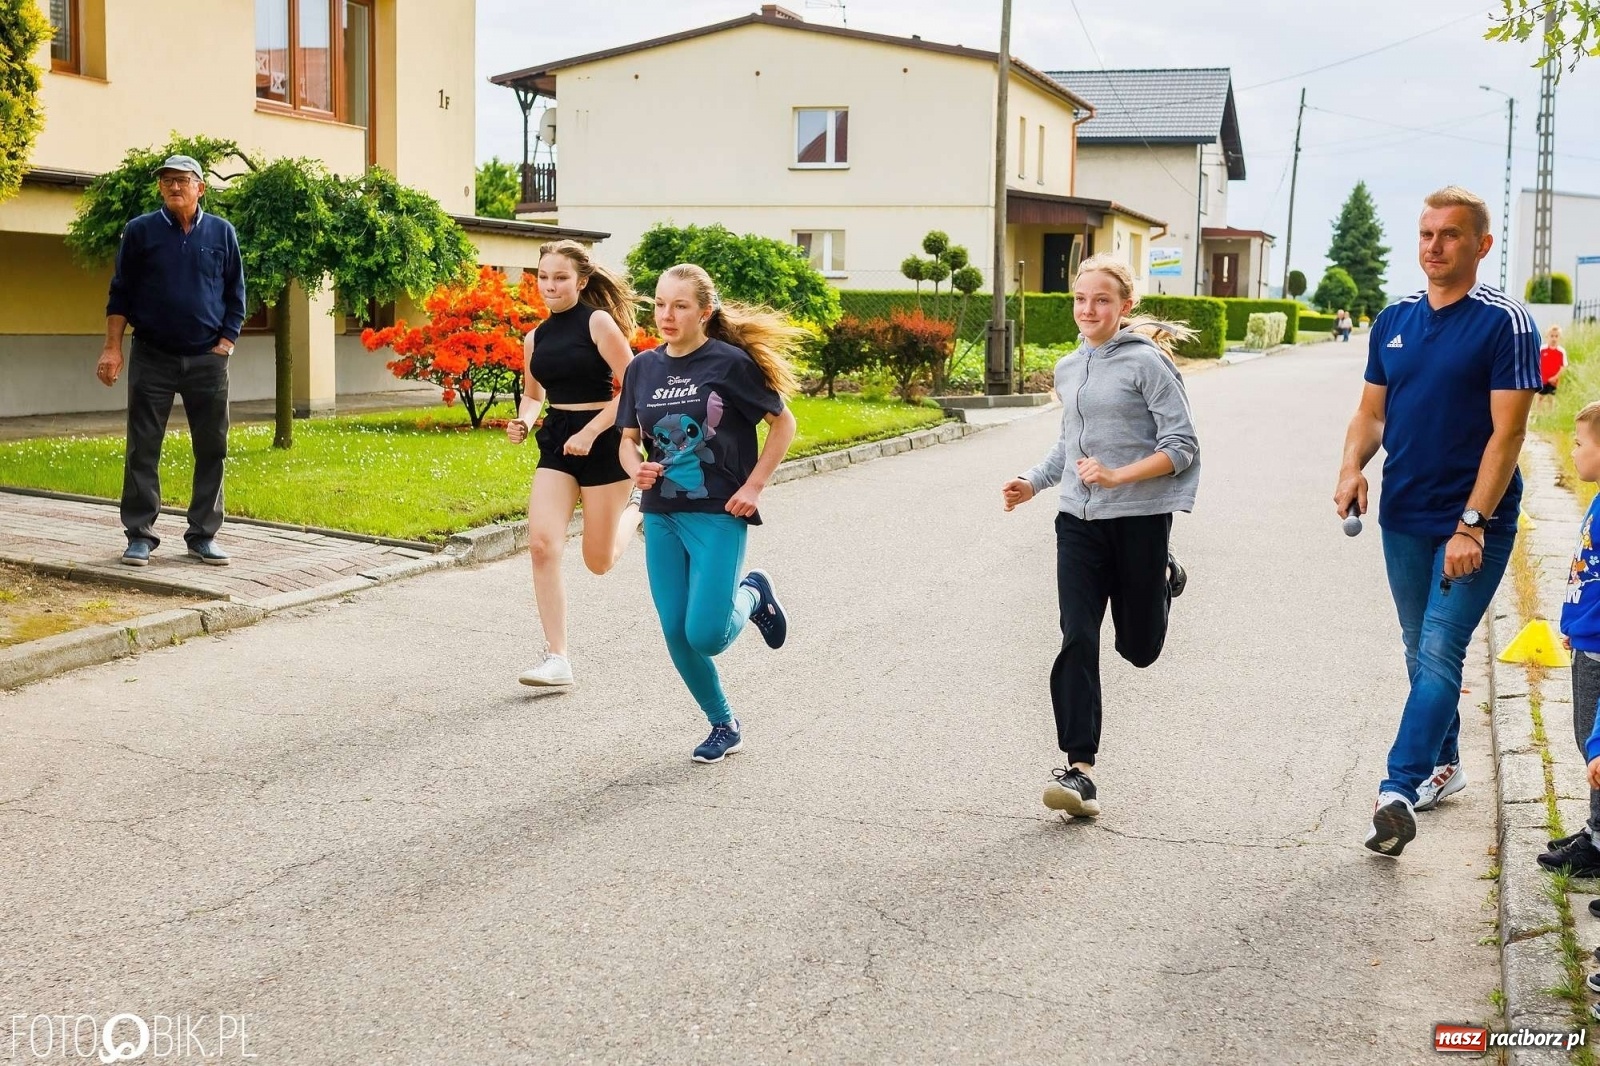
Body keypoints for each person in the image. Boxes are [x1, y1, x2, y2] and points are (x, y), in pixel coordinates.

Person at [1334, 186, 1540, 857]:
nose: (1434, 247)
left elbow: (1507, 436)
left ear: (1481, 244)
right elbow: (1371, 414)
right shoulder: (1394, 318)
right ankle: (1445, 766)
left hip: (1474, 522)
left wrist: (1473, 522)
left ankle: (1399, 787)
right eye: (1425, 234)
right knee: (1415, 642)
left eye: (1450, 235)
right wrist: (1352, 467)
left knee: (1439, 649)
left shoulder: (1504, 323)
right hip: (1403, 516)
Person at [1001, 253, 1200, 818]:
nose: (1088, 309)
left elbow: (1183, 447)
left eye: (1102, 300)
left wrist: (1118, 475)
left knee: (1138, 649)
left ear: (1125, 306)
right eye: (1081, 299)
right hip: (1078, 523)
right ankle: (1079, 769)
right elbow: (1070, 443)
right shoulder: (1069, 367)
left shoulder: (1149, 366)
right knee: (1076, 636)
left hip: (1139, 521)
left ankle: (1162, 574)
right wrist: (1033, 482)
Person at [615, 263, 800, 763]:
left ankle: (753, 594)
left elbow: (784, 425)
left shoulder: (729, 363)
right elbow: (628, 441)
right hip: (662, 513)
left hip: (719, 510)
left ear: (704, 312)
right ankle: (724, 723)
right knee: (676, 630)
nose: (667, 316)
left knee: (707, 635)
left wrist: (754, 486)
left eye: (680, 306)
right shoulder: (642, 368)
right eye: (659, 304)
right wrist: (636, 469)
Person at [97, 154, 245, 567]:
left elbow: (236, 294)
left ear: (201, 186)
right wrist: (112, 347)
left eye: (181, 180)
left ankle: (203, 534)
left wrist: (226, 343)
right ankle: (140, 535)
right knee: (143, 446)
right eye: (166, 182)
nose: (173, 187)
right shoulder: (140, 232)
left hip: (207, 360)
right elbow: (120, 294)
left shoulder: (222, 233)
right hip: (152, 356)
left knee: (213, 447)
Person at [507, 240, 642, 688]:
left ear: (581, 281)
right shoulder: (535, 337)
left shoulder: (598, 322)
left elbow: (634, 388)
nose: (550, 285)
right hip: (558, 441)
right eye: (543, 277)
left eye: (560, 277)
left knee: (598, 561)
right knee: (543, 545)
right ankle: (557, 657)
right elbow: (533, 395)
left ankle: (637, 509)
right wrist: (524, 422)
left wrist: (591, 431)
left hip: (604, 440)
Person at [1541, 401, 1600, 877]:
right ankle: (1596, 828)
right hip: (1588, 642)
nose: (1574, 451)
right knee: (1588, 743)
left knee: (1596, 746)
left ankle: (1598, 843)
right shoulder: (1597, 501)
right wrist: (1575, 625)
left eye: (1581, 443)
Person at [1538, 323, 1568, 401]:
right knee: (1540, 397)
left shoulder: (1561, 351)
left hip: (1554, 380)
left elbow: (1564, 366)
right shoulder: (1542, 349)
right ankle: (1538, 412)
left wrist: (1555, 377)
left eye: (1556, 336)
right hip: (1542, 378)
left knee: (1551, 398)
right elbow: (1537, 363)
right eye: (1552, 336)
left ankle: (1550, 412)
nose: (1554, 338)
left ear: (1559, 337)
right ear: (1547, 337)